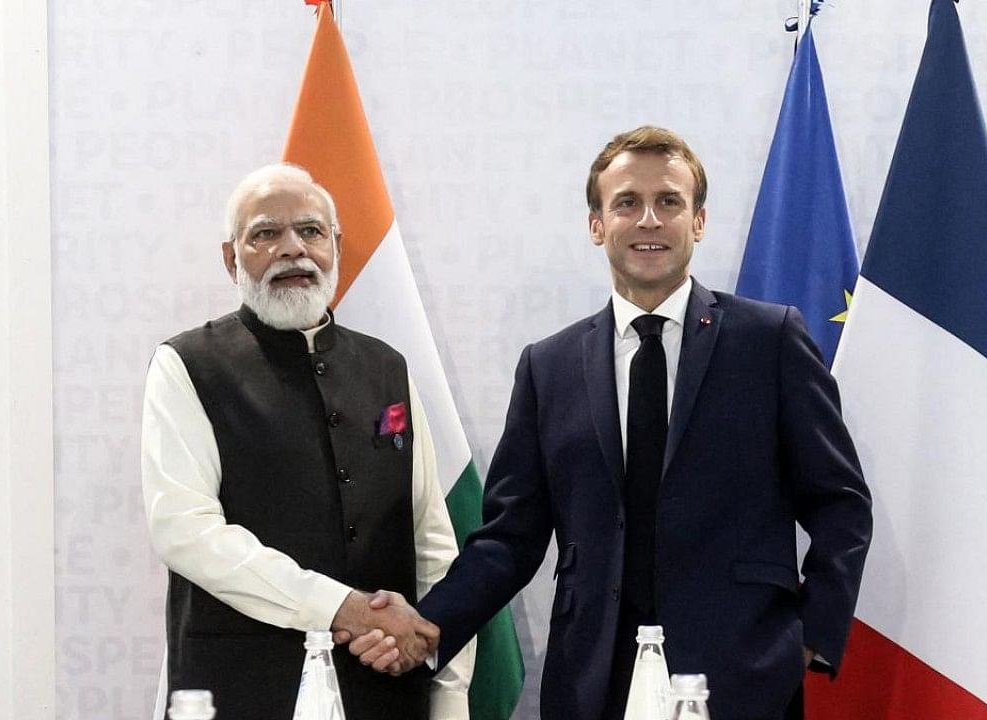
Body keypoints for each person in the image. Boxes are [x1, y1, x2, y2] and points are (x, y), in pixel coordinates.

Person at [349, 127, 872, 720]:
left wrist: (807, 637)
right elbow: (509, 538)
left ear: (698, 221)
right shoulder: (549, 367)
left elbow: (841, 503)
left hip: (743, 675)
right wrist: (427, 625)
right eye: (626, 202)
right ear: (597, 225)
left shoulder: (769, 340)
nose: (649, 219)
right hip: (592, 680)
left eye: (669, 201)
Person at [140, 163, 473, 720]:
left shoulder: (387, 367)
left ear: (336, 247)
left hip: (384, 690)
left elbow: (431, 538)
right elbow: (185, 531)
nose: (292, 249)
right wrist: (342, 607)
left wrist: (449, 689)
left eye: (311, 231)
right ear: (232, 258)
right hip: (241, 691)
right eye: (266, 233)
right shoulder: (187, 366)